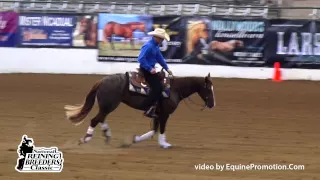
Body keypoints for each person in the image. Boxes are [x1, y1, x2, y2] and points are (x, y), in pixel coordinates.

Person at [137, 28, 173, 118]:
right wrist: (149, 68)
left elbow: (160, 58)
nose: (162, 40)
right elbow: (141, 59)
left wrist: (167, 68)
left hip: (151, 69)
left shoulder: (156, 46)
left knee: (161, 84)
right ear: (156, 37)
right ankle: (147, 109)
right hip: (146, 69)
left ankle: (156, 107)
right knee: (158, 88)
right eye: (161, 38)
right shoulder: (148, 46)